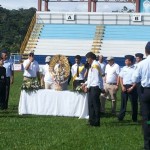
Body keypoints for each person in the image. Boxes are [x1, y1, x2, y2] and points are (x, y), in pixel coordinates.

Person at [132, 42, 150, 150]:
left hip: (146, 92)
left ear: (146, 51)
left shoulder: (141, 64)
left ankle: (147, 144)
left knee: (147, 118)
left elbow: (134, 79)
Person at [82, 52, 103, 127]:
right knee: (91, 105)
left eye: (87, 58)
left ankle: (96, 122)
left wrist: (87, 87)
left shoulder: (95, 65)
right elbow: (90, 78)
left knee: (95, 105)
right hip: (92, 87)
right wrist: (86, 83)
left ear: (91, 58)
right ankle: (91, 121)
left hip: (95, 87)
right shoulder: (93, 65)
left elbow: (95, 79)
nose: (87, 60)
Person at [118, 55, 138, 122]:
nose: (125, 62)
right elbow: (121, 77)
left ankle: (134, 118)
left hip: (132, 87)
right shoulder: (124, 68)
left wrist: (132, 87)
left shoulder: (135, 68)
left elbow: (137, 79)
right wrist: (122, 86)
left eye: (126, 60)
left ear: (130, 61)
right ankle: (121, 117)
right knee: (123, 103)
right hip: (124, 87)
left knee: (134, 103)